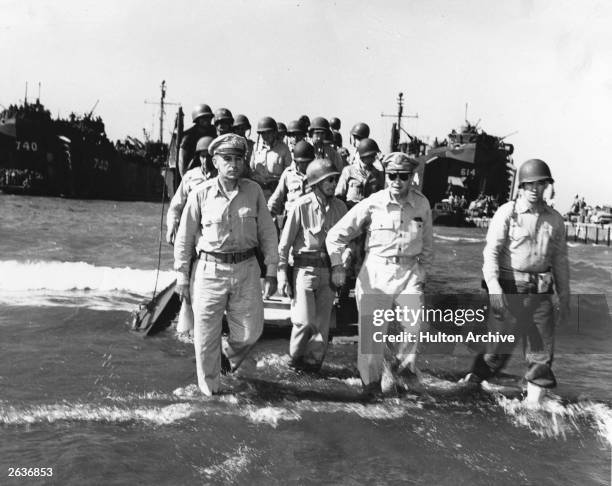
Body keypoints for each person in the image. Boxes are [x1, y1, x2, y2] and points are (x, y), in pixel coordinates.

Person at [173, 133, 279, 396]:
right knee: (205, 338)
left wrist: (273, 269)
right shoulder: (200, 193)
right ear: (215, 162)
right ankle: (210, 393)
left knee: (250, 333)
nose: (233, 164)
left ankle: (224, 358)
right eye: (227, 159)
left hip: (247, 269)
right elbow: (185, 237)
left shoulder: (253, 192)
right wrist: (182, 277)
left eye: (238, 159)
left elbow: (267, 232)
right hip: (209, 271)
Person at [461, 159, 569, 404]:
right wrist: (494, 286)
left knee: (541, 355)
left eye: (540, 184)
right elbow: (491, 253)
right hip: (510, 289)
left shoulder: (555, 220)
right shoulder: (507, 213)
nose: (534, 189)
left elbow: (560, 261)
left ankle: (533, 408)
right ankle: (472, 385)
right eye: (529, 184)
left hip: (541, 292)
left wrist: (564, 296)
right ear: (520, 187)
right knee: (496, 353)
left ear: (547, 186)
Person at [326, 153, 433, 395]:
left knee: (414, 327)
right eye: (392, 175)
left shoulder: (422, 204)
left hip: (409, 272)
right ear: (387, 176)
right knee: (371, 339)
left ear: (411, 177)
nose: (397, 181)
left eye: (403, 176)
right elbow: (336, 235)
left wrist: (423, 274)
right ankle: (371, 387)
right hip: (376, 272)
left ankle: (399, 373)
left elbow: (428, 244)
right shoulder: (373, 203)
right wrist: (337, 265)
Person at [278, 159, 347, 371]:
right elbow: (285, 244)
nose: (333, 184)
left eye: (334, 179)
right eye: (328, 180)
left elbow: (347, 241)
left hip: (328, 272)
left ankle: (313, 366)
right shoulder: (301, 206)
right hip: (304, 271)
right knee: (304, 322)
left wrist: (342, 266)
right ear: (316, 183)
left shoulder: (340, 207)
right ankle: (293, 361)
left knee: (322, 327)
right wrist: (281, 274)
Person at [166, 136, 215, 337]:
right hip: (191, 232)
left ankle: (206, 326)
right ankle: (186, 326)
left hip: (211, 234)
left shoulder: (222, 178)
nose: (205, 160)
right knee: (186, 279)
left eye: (209, 156)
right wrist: (171, 227)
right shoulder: (190, 177)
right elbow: (176, 206)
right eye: (202, 156)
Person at [267, 140, 314, 226]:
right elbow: (277, 197)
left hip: (311, 219)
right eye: (303, 163)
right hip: (291, 219)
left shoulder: (317, 174)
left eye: (308, 162)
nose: (306, 165)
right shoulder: (288, 174)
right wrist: (267, 214)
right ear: (296, 162)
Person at [335, 138, 384, 209]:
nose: (375, 158)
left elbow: (381, 197)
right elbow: (339, 195)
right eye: (373, 155)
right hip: (351, 212)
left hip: (370, 214)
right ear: (364, 156)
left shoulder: (377, 173)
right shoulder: (349, 171)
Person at [250, 116, 292, 199]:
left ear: (275, 133)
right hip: (258, 191)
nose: (265, 136)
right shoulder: (256, 148)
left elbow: (289, 172)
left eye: (268, 132)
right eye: (262, 133)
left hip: (276, 191)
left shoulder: (283, 149)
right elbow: (251, 169)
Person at [178, 104, 216, 177]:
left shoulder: (214, 131)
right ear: (197, 120)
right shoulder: (188, 136)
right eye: (203, 118)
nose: (206, 120)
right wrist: (184, 178)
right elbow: (181, 159)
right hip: (193, 170)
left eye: (208, 117)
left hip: (212, 168)